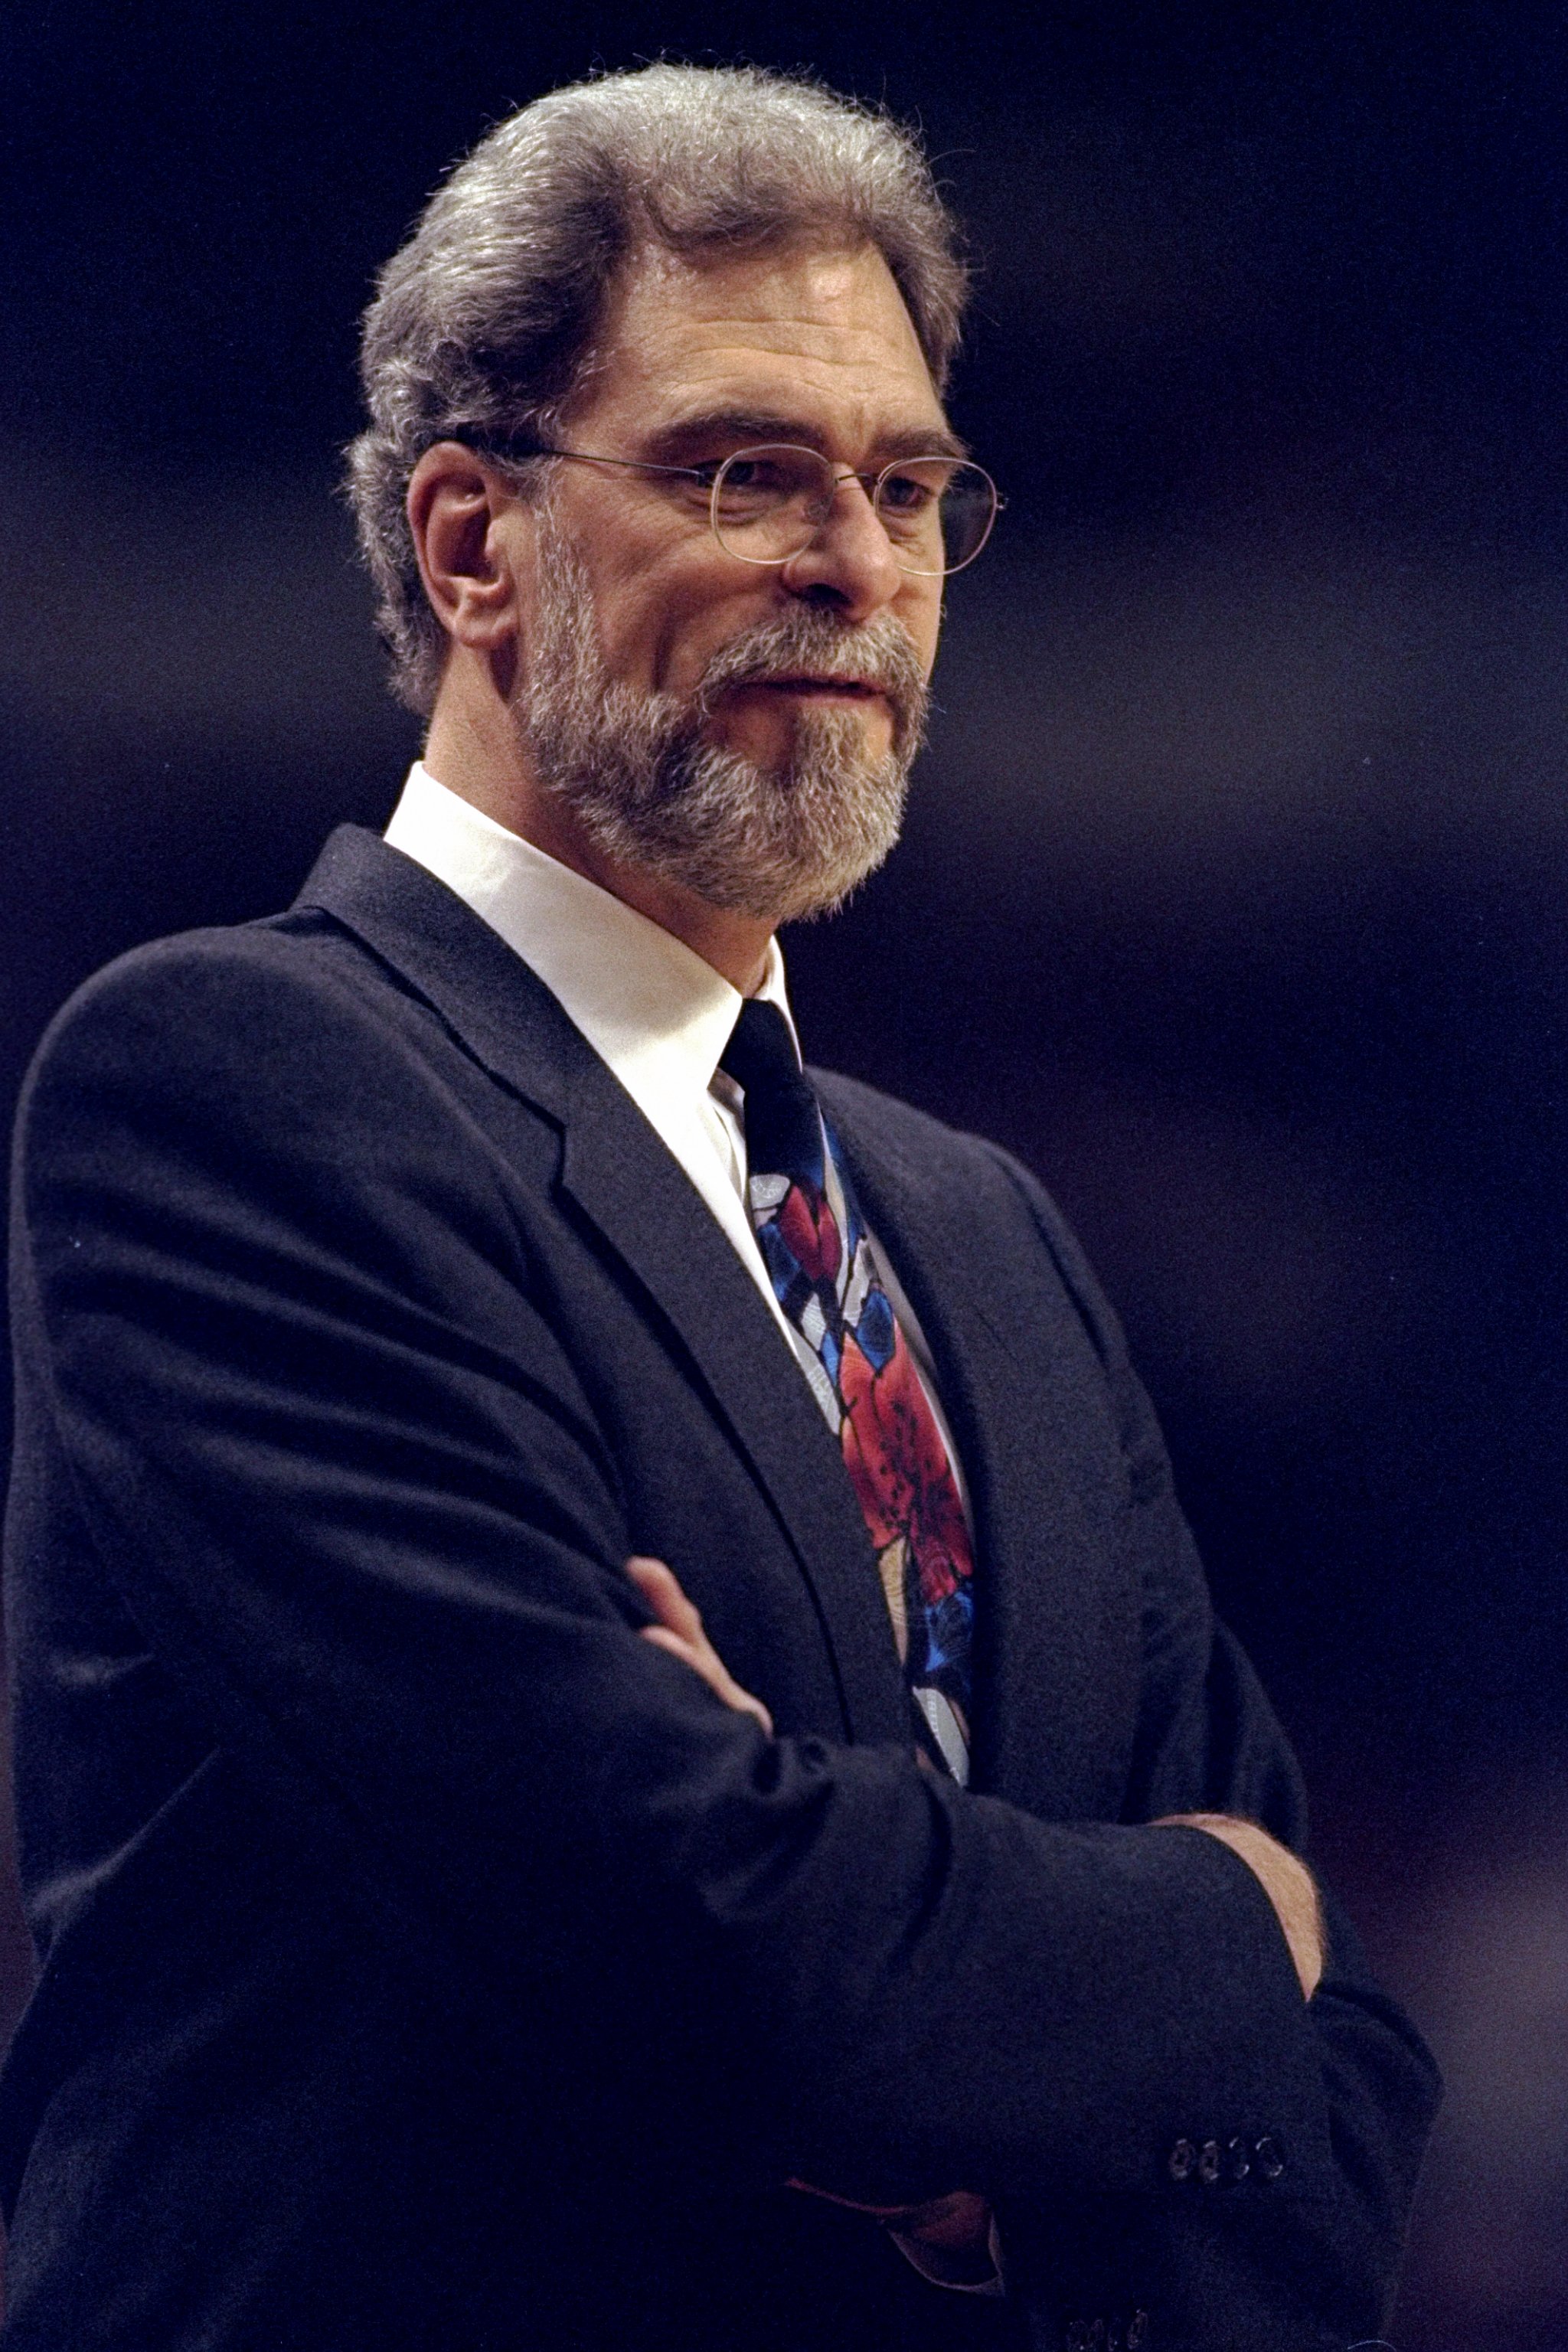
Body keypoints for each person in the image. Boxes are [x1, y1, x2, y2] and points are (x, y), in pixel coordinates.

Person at [2, 63, 1437, 2352]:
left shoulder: (985, 1237)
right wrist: (1219, 1920)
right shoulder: (241, 1087)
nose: (858, 566)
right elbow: (709, 1962)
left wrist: (987, 2157)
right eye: (744, 470)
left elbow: (1343, 2101)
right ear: (472, 544)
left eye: (908, 485)